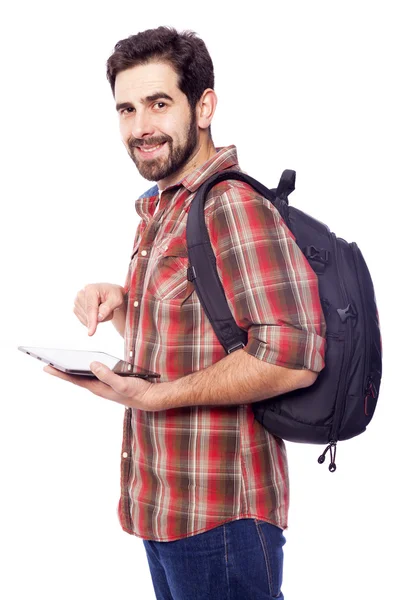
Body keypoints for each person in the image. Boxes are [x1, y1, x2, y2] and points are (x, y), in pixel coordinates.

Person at [45, 26, 326, 600]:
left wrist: (153, 396)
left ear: (204, 107)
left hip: (222, 518)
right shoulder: (162, 208)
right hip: (167, 506)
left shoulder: (232, 206)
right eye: (126, 108)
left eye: (159, 103)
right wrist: (123, 306)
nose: (140, 126)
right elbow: (197, 335)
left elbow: (295, 358)